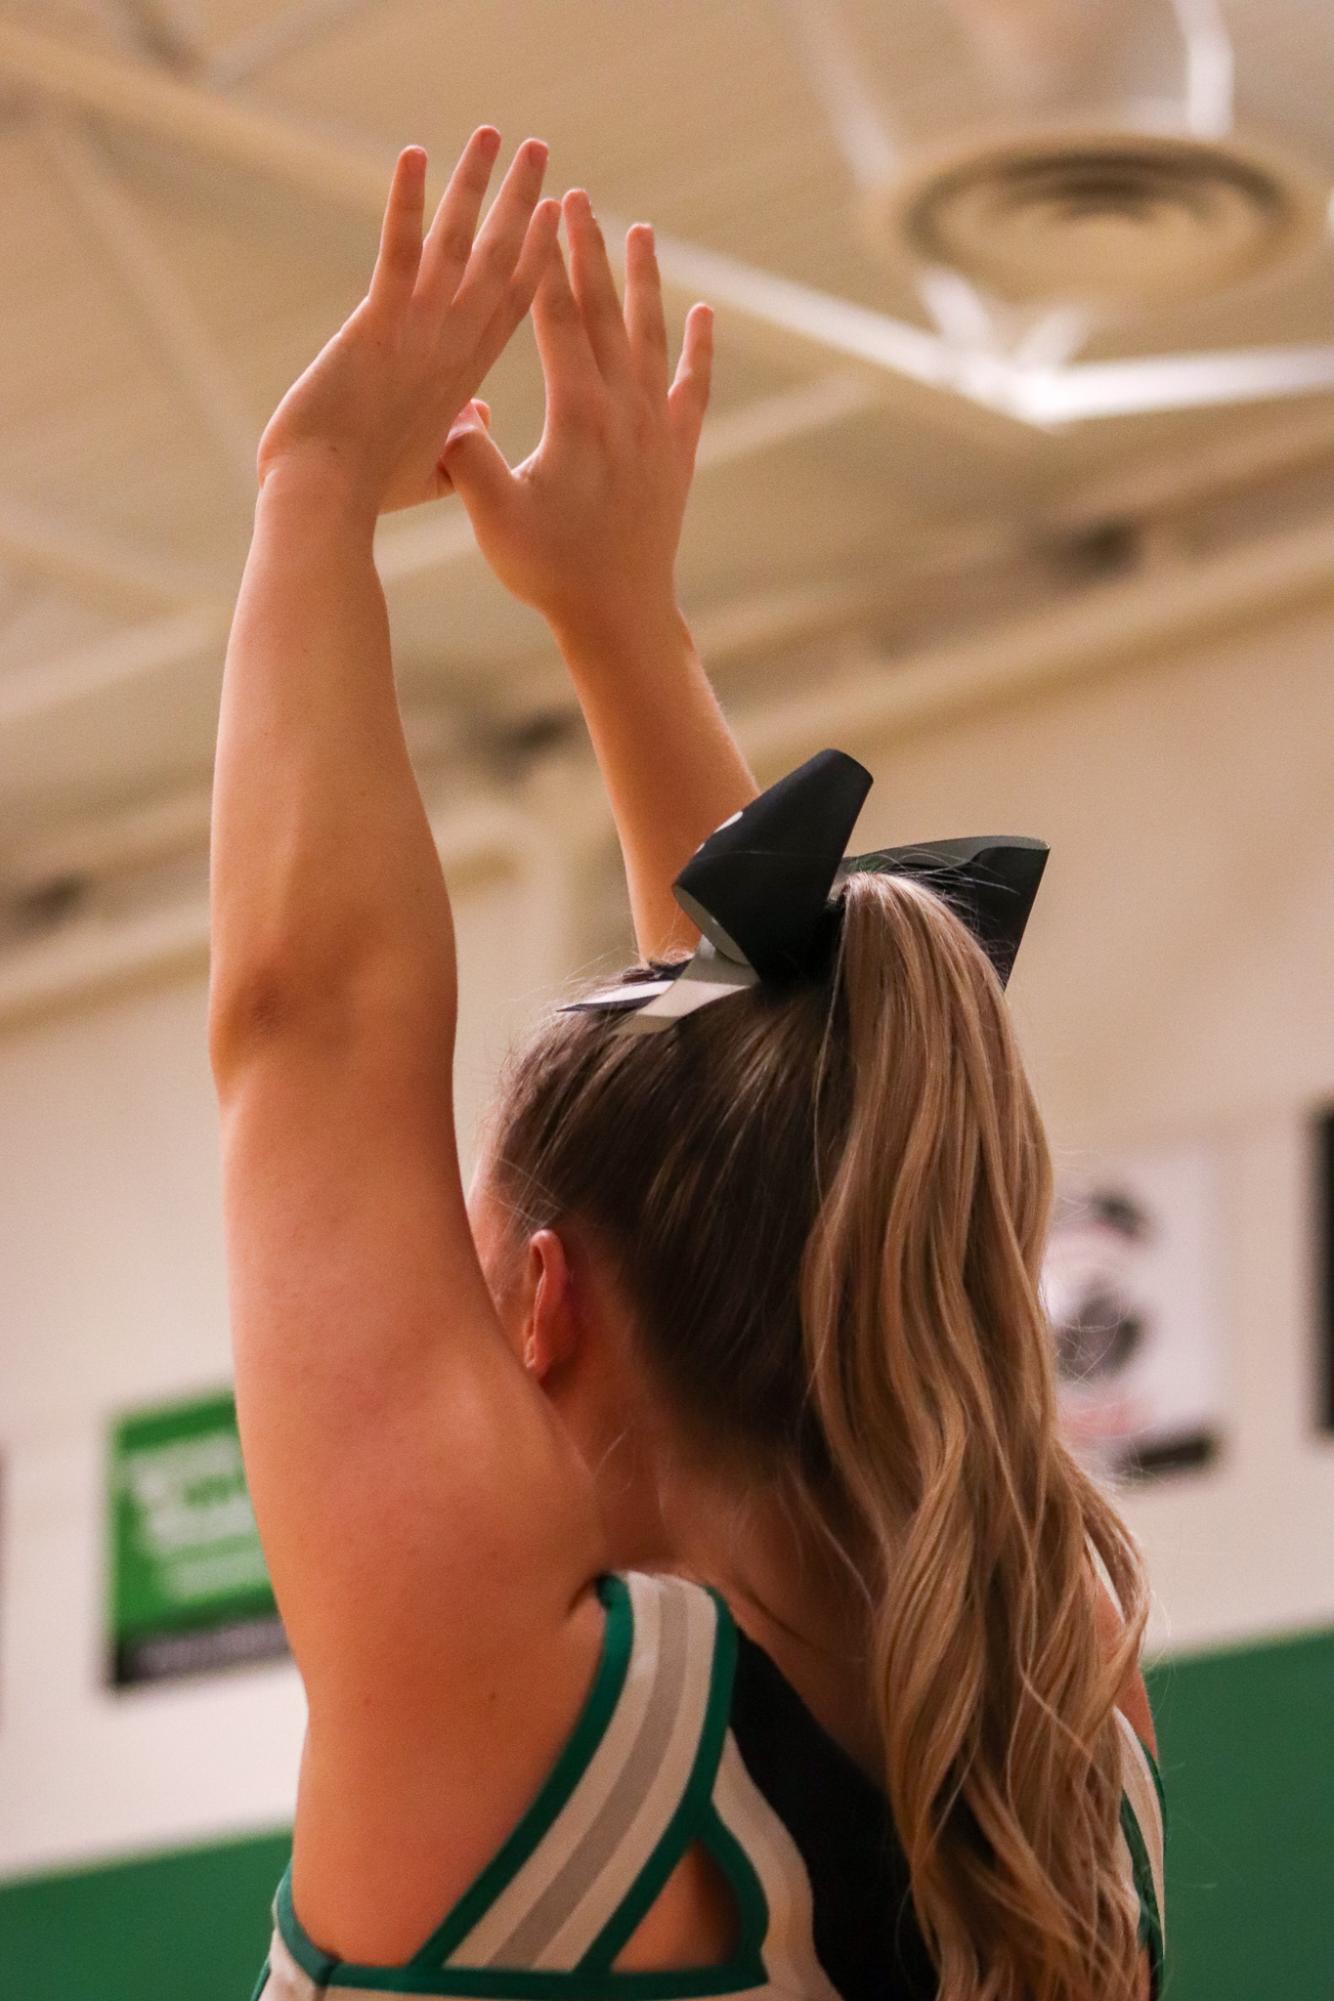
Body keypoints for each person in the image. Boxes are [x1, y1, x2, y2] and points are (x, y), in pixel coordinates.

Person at [208, 127, 1166, 2001]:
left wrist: (321, 477)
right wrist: (604, 615)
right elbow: (811, 1072)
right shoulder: (1048, 1741)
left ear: (542, 1303)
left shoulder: (530, 1736)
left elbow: (317, 1019)